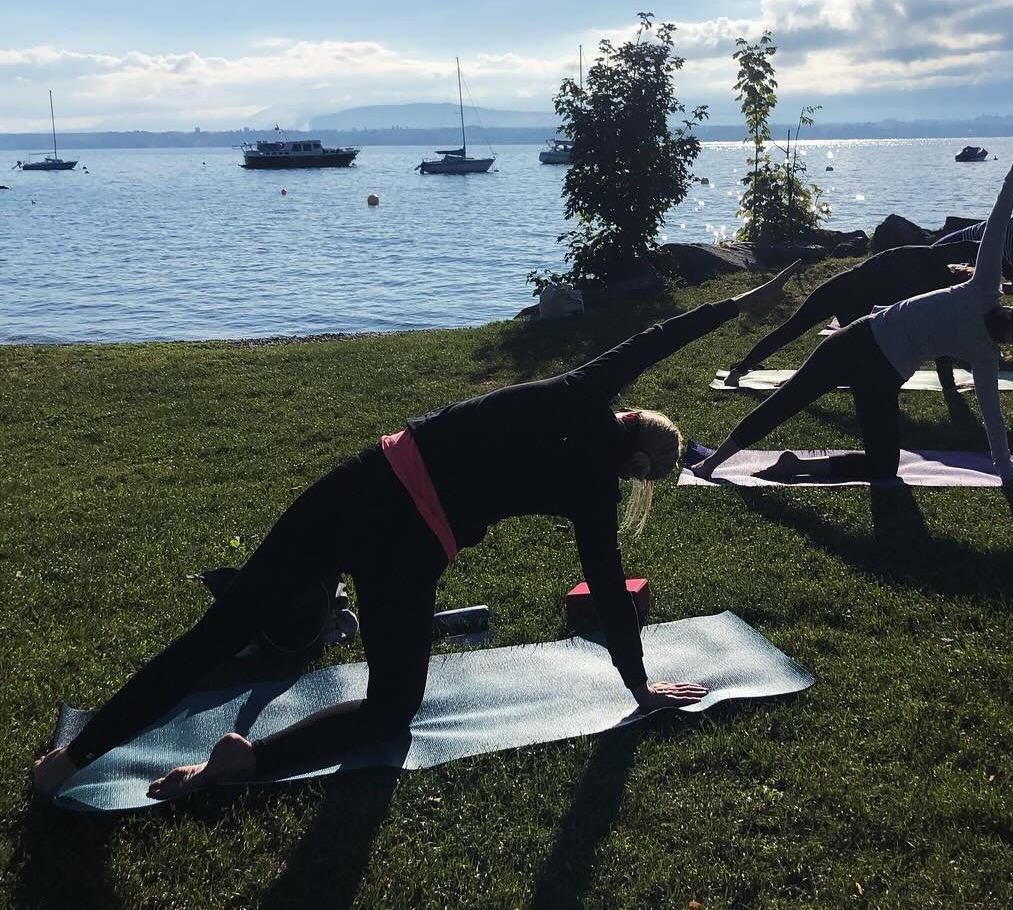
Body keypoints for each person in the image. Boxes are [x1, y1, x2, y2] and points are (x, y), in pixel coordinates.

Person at [31, 263, 800, 803]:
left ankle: (70, 759)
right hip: (412, 549)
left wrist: (745, 301)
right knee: (390, 707)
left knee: (216, 633)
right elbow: (605, 580)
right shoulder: (596, 492)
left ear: (631, 415)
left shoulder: (585, 386)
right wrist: (637, 685)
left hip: (363, 485)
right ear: (636, 465)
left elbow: (664, 333)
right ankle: (250, 758)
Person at [693, 125, 1013, 491]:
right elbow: (992, 418)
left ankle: (721, 464)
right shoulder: (985, 350)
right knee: (879, 464)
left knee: (790, 400)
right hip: (879, 368)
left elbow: (998, 222)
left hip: (859, 341)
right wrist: (1008, 473)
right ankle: (749, 463)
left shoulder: (984, 291)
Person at [723, 239, 1013, 391]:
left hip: (842, 290)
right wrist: (1007, 269)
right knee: (808, 338)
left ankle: (742, 370)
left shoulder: (933, 263)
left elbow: (971, 246)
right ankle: (750, 370)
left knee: (796, 332)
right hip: (847, 293)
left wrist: (1007, 268)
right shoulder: (936, 278)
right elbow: (942, 344)